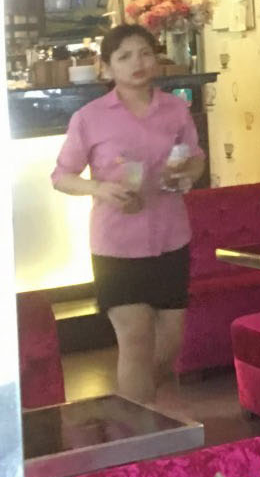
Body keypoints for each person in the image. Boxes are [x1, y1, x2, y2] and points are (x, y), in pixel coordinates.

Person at [50, 24, 206, 407]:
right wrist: (100, 189)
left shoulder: (175, 109)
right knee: (135, 339)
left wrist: (186, 174)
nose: (138, 62)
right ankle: (139, 432)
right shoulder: (89, 118)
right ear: (106, 67)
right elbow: (61, 177)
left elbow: (195, 157)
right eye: (124, 56)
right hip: (117, 245)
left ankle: (135, 408)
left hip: (171, 238)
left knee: (170, 345)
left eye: (145, 53)